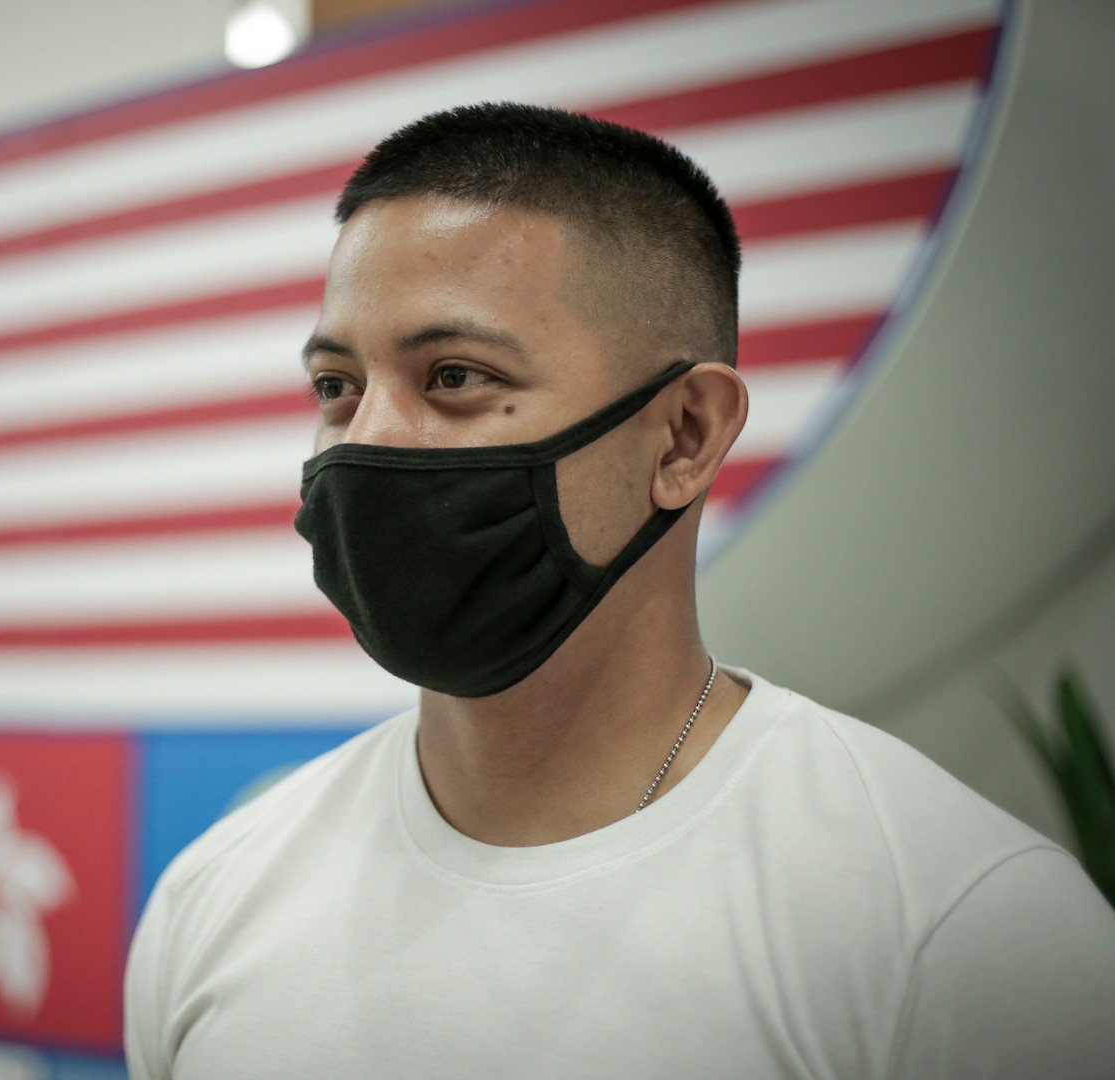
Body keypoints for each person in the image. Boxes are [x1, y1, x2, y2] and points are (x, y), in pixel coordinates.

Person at [123, 104, 1115, 1078]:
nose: (366, 441)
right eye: (337, 386)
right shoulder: (215, 895)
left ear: (684, 435)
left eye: (456, 376)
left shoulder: (959, 927)